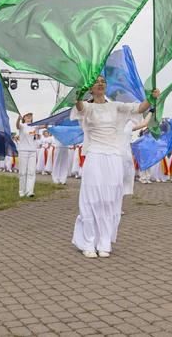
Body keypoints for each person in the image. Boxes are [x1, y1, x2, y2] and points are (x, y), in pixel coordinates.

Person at [71, 76, 158, 258]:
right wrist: (78, 95)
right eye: (96, 82)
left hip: (113, 155)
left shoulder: (116, 106)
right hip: (94, 154)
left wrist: (151, 98)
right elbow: (79, 106)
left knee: (110, 199)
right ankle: (88, 242)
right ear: (91, 89)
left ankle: (104, 242)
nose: (100, 83)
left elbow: (139, 108)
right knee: (92, 198)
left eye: (103, 81)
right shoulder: (88, 107)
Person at [16, 113, 40, 197]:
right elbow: (17, 126)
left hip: (32, 151)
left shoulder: (35, 126)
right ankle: (21, 191)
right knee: (23, 172)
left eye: (30, 116)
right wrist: (18, 119)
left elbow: (44, 126)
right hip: (23, 151)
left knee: (31, 172)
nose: (29, 117)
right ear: (24, 117)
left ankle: (29, 191)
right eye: (27, 116)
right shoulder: (22, 126)